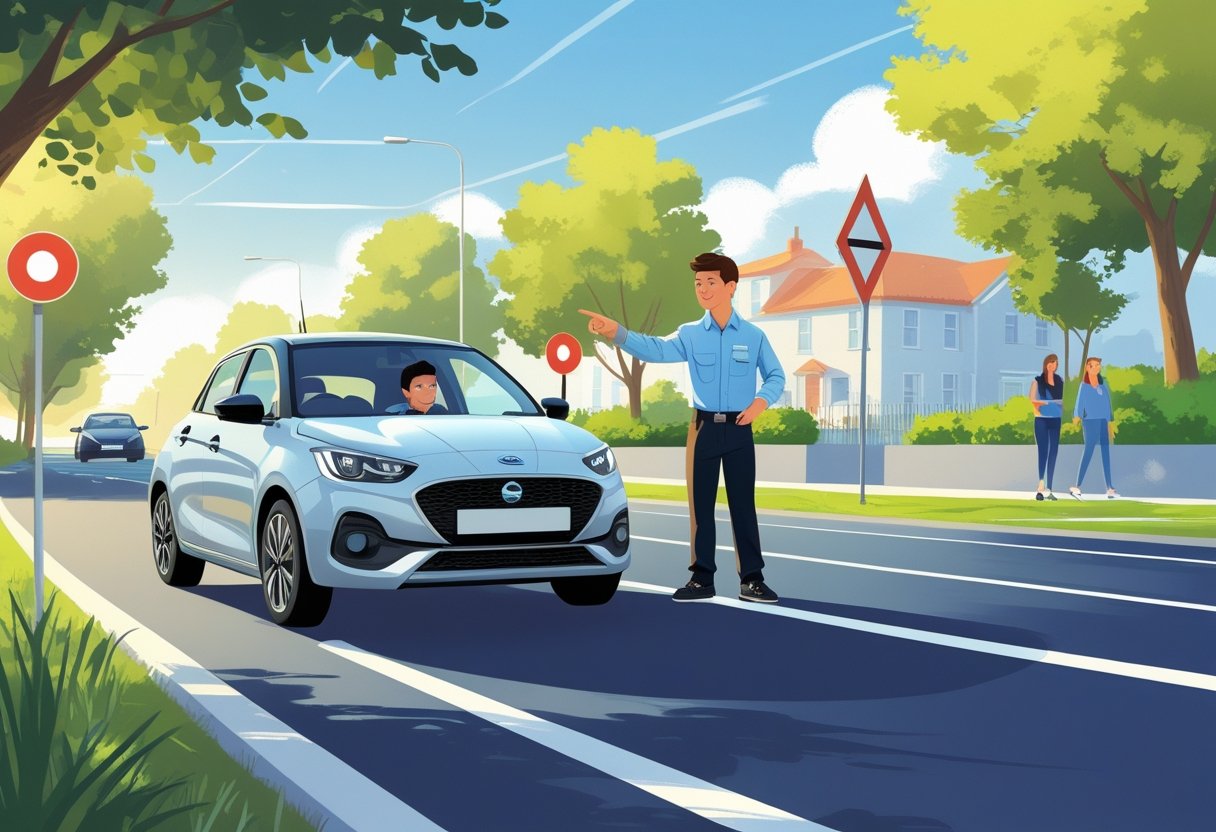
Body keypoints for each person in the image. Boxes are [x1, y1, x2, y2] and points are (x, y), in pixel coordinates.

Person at [579, 252, 786, 604]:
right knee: (700, 507)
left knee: (743, 506)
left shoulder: (753, 336)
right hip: (703, 429)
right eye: (698, 284)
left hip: (739, 429)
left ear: (730, 287)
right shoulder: (690, 334)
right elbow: (656, 350)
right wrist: (617, 332)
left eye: (710, 282)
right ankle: (701, 578)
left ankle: (752, 579)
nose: (703, 289)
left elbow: (776, 375)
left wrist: (758, 404)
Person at [1068, 356, 1118, 499]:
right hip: (1090, 421)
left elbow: (1108, 404)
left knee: (1105, 452)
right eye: (1093, 365)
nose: (1096, 367)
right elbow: (1079, 402)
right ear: (1087, 368)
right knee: (1088, 451)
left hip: (1103, 421)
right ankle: (1077, 485)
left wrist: (1110, 422)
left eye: (1098, 365)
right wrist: (1077, 417)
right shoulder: (1084, 385)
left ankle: (1110, 487)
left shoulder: (1103, 385)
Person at [1029, 353, 1063, 501]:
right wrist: (1049, 403)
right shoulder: (1037, 381)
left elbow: (1063, 401)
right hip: (1041, 420)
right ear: (1046, 364)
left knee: (1053, 452)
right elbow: (1032, 399)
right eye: (1050, 362)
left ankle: (1050, 487)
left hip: (1055, 419)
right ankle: (1040, 485)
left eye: (1055, 362)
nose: (1052, 365)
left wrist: (1054, 403)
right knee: (1043, 451)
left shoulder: (1060, 381)